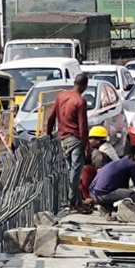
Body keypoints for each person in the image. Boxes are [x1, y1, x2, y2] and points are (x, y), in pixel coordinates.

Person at [45, 73, 90, 212]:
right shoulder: (80, 101)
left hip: (63, 139)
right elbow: (83, 126)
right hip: (75, 139)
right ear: (84, 86)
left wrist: (48, 135)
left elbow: (51, 118)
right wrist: (85, 146)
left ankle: (77, 202)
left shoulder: (61, 96)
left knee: (71, 171)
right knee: (75, 172)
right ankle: (73, 203)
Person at [85, 145, 135, 214]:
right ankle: (117, 210)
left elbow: (123, 187)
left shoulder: (117, 163)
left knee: (125, 193)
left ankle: (106, 207)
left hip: (94, 193)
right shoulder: (131, 164)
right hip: (104, 195)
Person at [78, 125, 118, 203]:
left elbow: (100, 171)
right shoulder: (103, 147)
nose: (89, 140)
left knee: (86, 170)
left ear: (98, 140)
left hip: (110, 181)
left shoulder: (102, 151)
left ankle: (89, 198)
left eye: (91, 138)